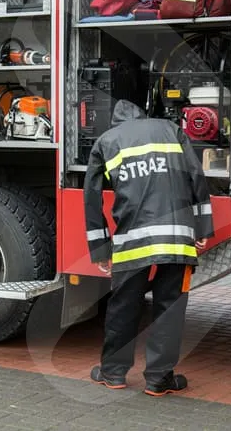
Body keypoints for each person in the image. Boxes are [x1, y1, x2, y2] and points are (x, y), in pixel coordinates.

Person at [84, 99, 213, 396]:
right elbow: (196, 175)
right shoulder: (170, 129)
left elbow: (91, 199)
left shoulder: (106, 141)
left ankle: (113, 373)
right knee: (170, 308)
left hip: (132, 242)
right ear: (142, 116)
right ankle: (158, 378)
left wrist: (100, 249)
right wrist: (203, 226)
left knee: (123, 307)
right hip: (177, 238)